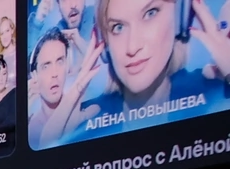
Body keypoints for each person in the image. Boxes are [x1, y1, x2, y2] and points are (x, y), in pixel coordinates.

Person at [68, 0, 230, 136]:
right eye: (118, 27)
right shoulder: (86, 118)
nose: (132, 47)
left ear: (180, 17)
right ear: (104, 44)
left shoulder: (215, 95)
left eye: (150, 13)